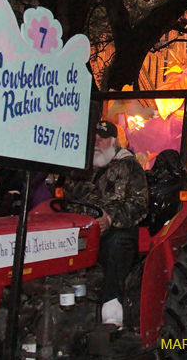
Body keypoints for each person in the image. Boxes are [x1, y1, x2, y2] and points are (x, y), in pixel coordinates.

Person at [64, 120, 148, 328]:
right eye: (94, 139)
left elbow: (139, 204)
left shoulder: (129, 167)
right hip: (80, 228)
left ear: (113, 142)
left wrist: (110, 218)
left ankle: (112, 310)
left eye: (102, 140)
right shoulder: (80, 168)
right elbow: (67, 196)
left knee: (117, 246)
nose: (96, 144)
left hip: (115, 229)